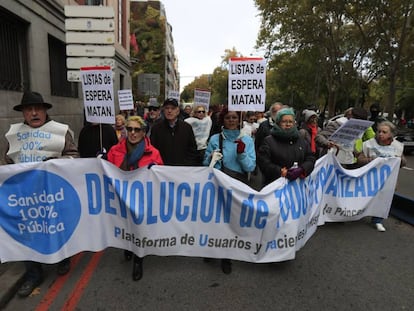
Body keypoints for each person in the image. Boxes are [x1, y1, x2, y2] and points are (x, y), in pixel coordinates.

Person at [4, 91, 79, 297]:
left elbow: (73, 155)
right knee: (28, 233)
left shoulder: (60, 132)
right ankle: (33, 274)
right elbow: (7, 162)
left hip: (53, 193)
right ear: (23, 113)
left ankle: (62, 258)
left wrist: (55, 163)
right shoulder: (14, 136)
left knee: (56, 227)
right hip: (26, 196)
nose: (34, 113)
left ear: (46, 111)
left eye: (38, 109)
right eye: (29, 109)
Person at [106, 115, 164, 280]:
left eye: (137, 130)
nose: (132, 133)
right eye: (129, 129)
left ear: (144, 132)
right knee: (125, 225)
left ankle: (138, 259)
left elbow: (161, 176)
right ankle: (127, 246)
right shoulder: (115, 150)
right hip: (122, 197)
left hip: (142, 199)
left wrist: (156, 170)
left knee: (139, 228)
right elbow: (107, 170)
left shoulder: (153, 152)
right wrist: (100, 160)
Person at [203, 107, 256, 274]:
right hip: (218, 184)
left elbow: (250, 166)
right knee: (216, 219)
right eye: (228, 117)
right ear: (223, 120)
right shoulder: (215, 139)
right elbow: (205, 165)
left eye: (234, 117)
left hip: (237, 185)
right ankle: (212, 248)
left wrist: (241, 154)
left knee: (231, 220)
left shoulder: (246, 140)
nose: (232, 120)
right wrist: (213, 159)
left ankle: (227, 255)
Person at [356, 120, 406, 232]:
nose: (380, 134)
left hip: (387, 180)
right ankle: (357, 213)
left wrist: (400, 159)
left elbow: (403, 163)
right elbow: (360, 160)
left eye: (384, 132)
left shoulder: (397, 146)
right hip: (369, 179)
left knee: (384, 199)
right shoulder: (368, 144)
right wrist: (371, 160)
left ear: (391, 134)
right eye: (378, 131)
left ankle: (377, 220)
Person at [257, 107, 316, 186]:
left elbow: (311, 158)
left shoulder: (301, 140)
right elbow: (263, 162)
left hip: (298, 187)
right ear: (278, 123)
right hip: (275, 187)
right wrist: (279, 171)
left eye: (290, 122)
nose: (288, 124)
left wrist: (302, 169)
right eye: (284, 121)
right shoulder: (269, 141)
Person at [150, 98, 199, 166]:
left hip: (182, 170)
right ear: (163, 110)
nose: (169, 111)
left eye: (172, 108)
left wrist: (187, 165)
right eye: (167, 108)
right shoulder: (156, 128)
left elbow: (192, 150)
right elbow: (152, 149)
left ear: (178, 111)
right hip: (162, 170)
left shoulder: (186, 128)